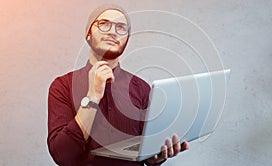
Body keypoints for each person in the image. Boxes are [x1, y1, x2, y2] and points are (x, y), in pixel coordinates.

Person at [47, 4, 189, 166]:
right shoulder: (62, 86)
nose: (113, 31)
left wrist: (155, 158)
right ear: (88, 34)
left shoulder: (142, 88)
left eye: (121, 27)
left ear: (126, 40)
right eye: (104, 24)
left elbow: (146, 150)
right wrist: (92, 96)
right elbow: (63, 156)